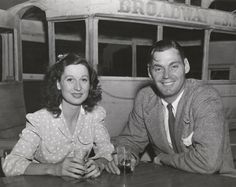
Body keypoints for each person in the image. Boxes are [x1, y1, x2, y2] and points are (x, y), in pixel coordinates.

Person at [105, 40, 236, 177]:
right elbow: (130, 140)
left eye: (173, 66)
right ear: (149, 72)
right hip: (170, 178)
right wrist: (124, 155)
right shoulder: (145, 98)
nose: (166, 75)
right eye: (158, 68)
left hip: (215, 181)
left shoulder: (205, 98)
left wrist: (163, 159)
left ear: (185, 66)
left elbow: (208, 162)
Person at [2, 53, 114, 178]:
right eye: (70, 79)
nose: (78, 87)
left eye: (83, 80)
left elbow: (107, 153)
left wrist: (99, 163)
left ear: (90, 85)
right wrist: (54, 169)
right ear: (58, 84)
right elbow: (10, 164)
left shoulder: (95, 115)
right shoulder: (39, 120)